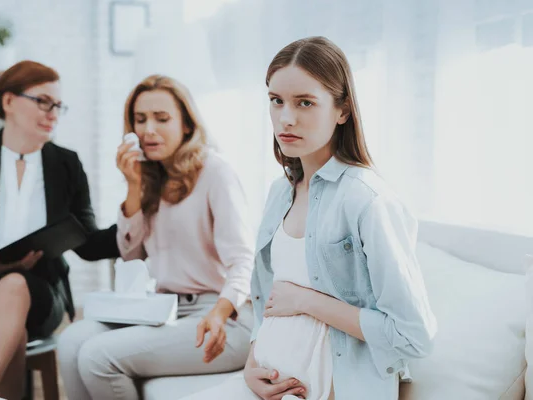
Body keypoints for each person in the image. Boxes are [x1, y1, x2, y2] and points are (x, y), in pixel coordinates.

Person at [182, 36, 437, 400]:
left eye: (305, 102)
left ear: (343, 110)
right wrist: (252, 367)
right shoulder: (279, 191)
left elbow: (413, 334)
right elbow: (268, 296)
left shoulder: (367, 201)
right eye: (276, 101)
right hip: (267, 385)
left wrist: (307, 300)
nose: (286, 118)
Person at [57, 75, 255, 400]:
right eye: (140, 119)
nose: (148, 129)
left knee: (97, 357)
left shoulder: (215, 172)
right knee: (70, 343)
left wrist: (219, 313)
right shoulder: (151, 177)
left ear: (186, 125)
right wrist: (134, 188)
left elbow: (243, 262)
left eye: (162, 119)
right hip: (163, 310)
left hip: (221, 317)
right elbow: (131, 256)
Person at [0, 60, 121, 399]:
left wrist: (137, 206)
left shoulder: (65, 164)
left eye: (58, 105)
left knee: (15, 285)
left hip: (38, 293)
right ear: (8, 101)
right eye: (43, 101)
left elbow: (89, 244)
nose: (53, 113)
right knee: (10, 333)